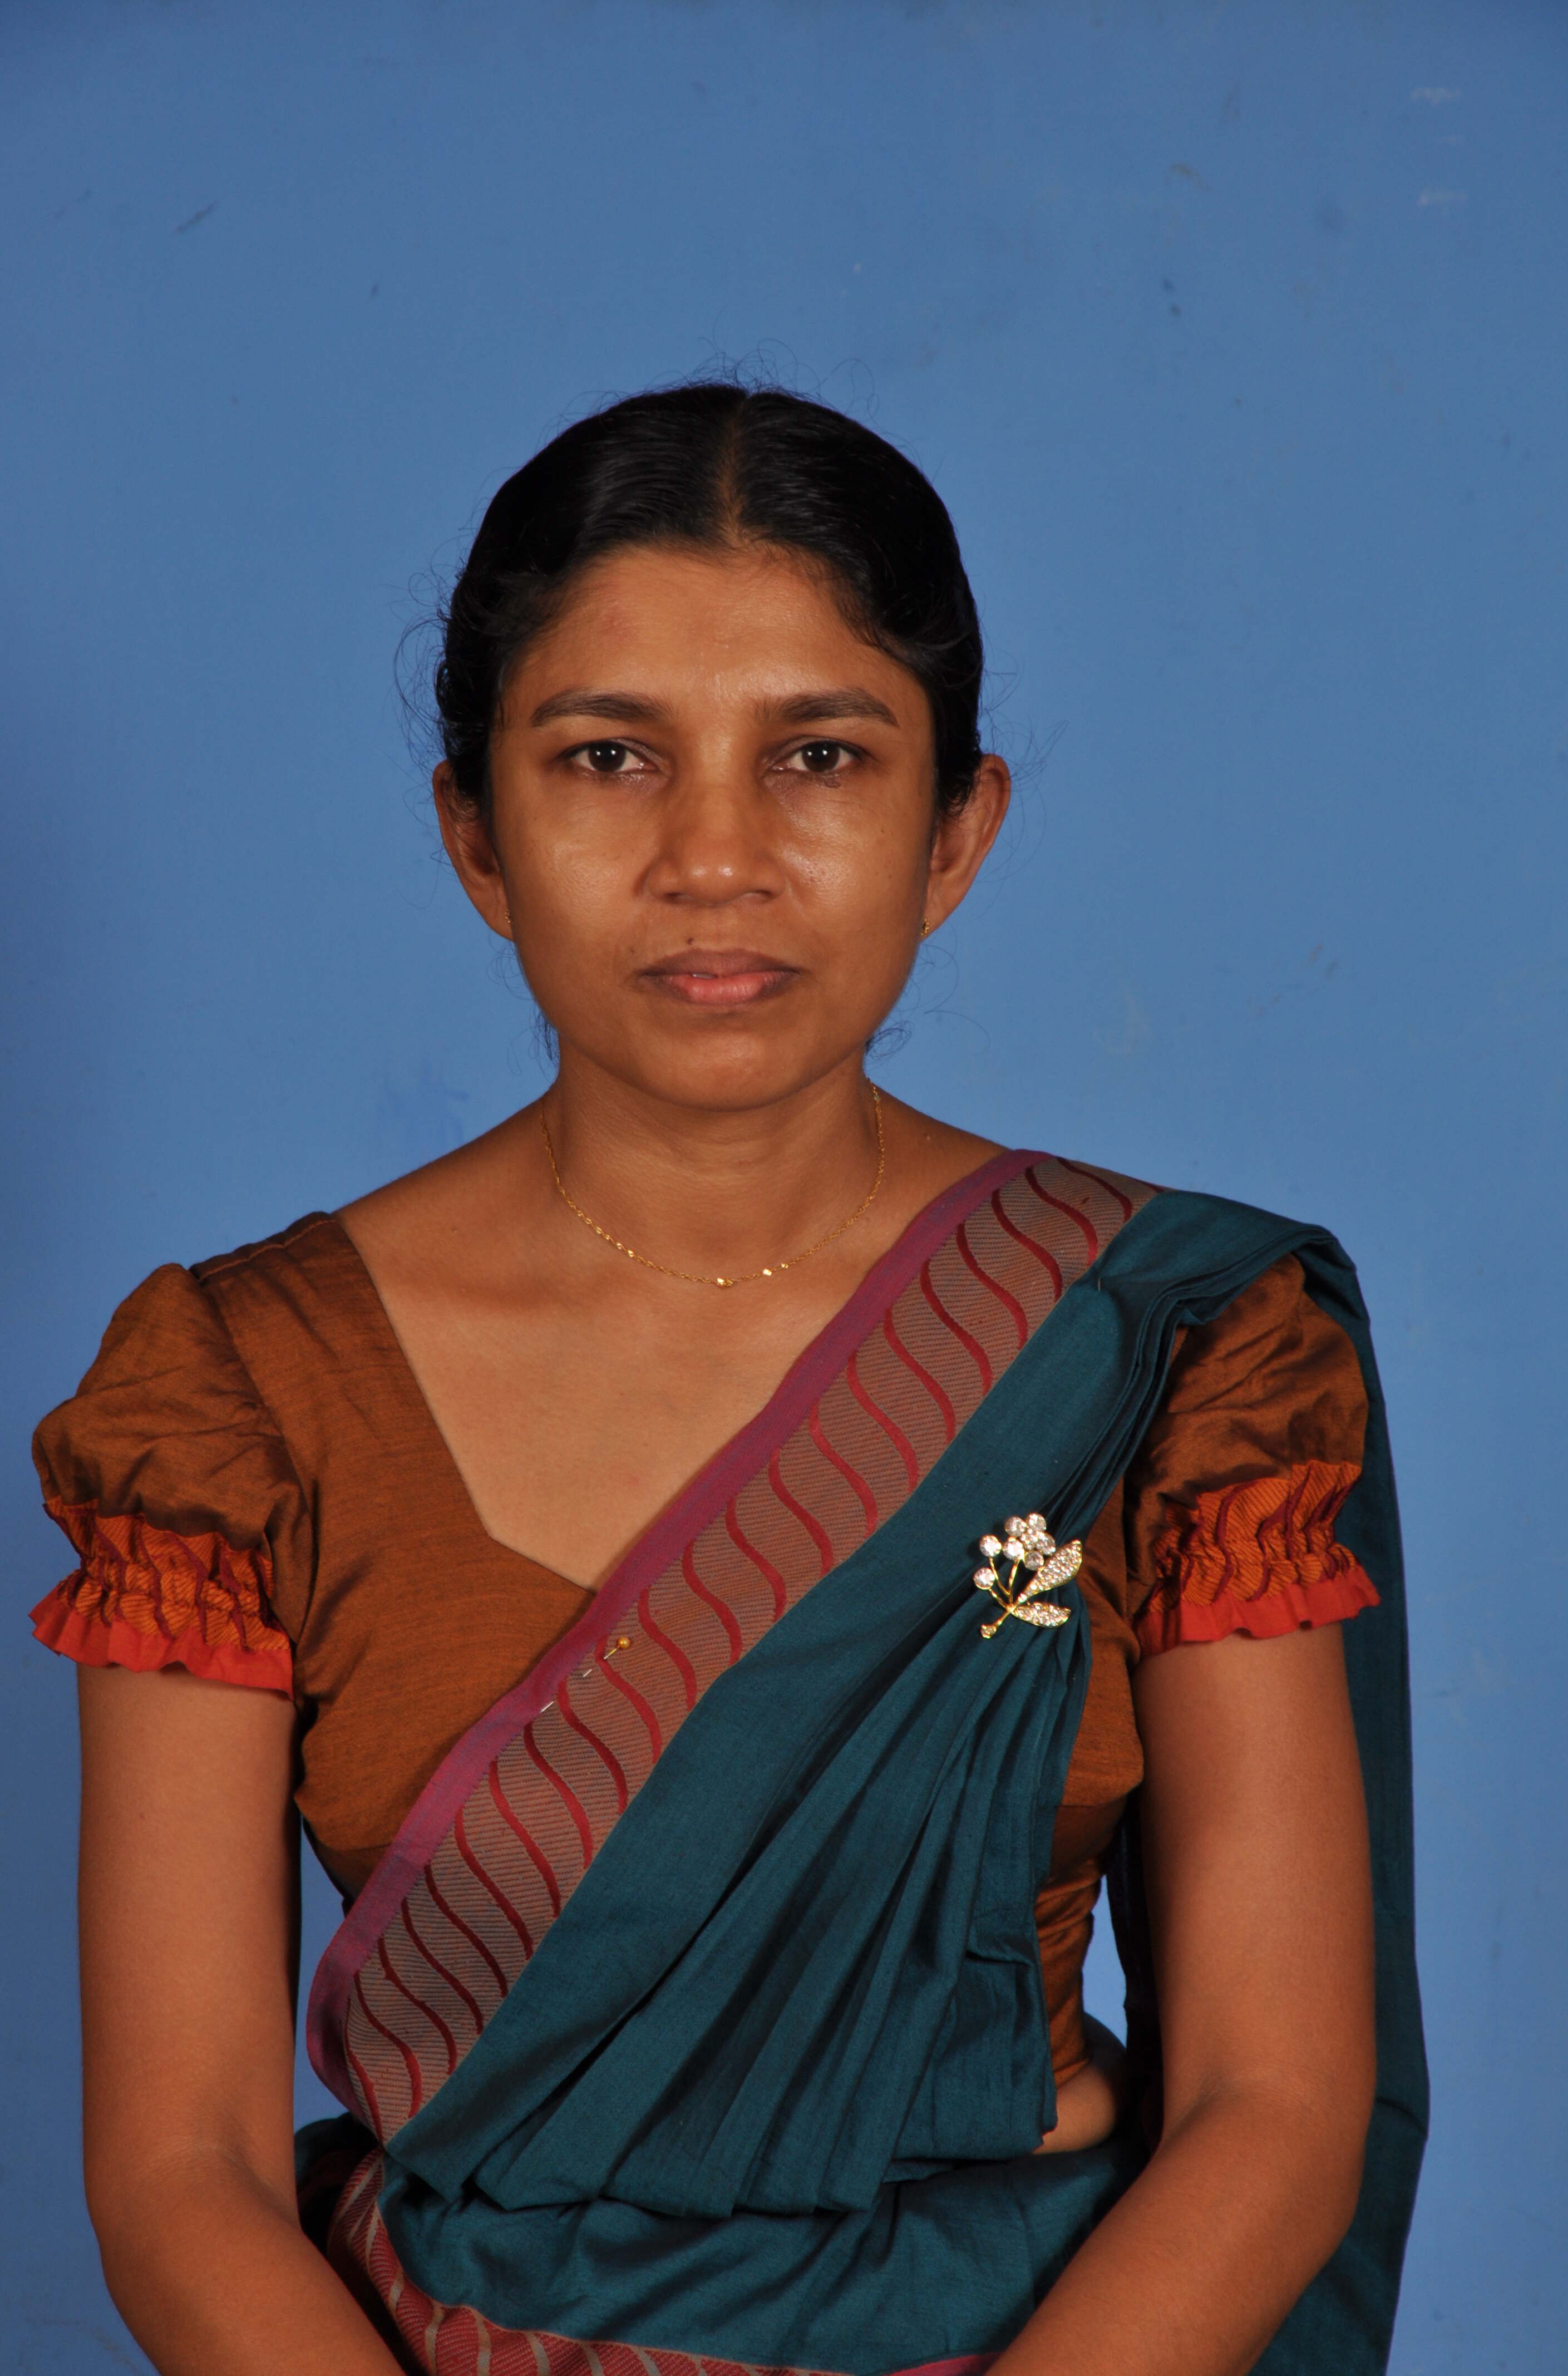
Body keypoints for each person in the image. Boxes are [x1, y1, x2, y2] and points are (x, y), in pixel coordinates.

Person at [30, 384, 1425, 2376]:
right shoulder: (244, 1397)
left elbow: (1271, 2114)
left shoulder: (1170, 1347)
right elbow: (185, 2176)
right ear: (474, 834)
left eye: (819, 757)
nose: (715, 858)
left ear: (957, 831)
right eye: (608, 757)